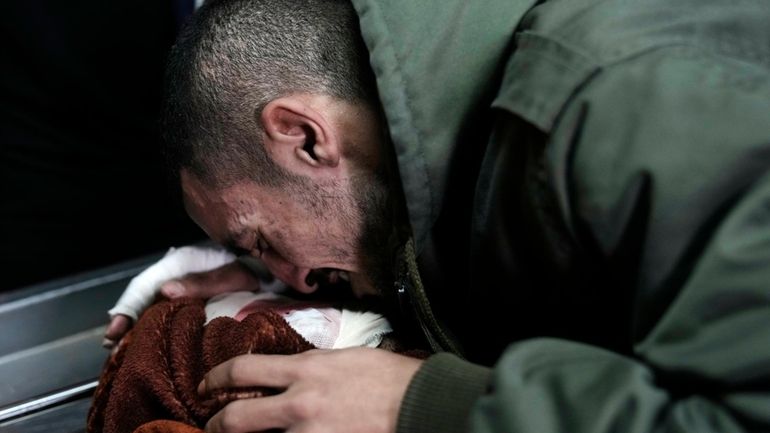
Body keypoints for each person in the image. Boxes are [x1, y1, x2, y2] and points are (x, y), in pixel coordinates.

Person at [105, 0, 770, 432]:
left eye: (259, 238)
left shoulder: (622, 96)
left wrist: (426, 404)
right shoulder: (436, 147)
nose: (297, 279)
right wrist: (267, 281)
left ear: (306, 136)